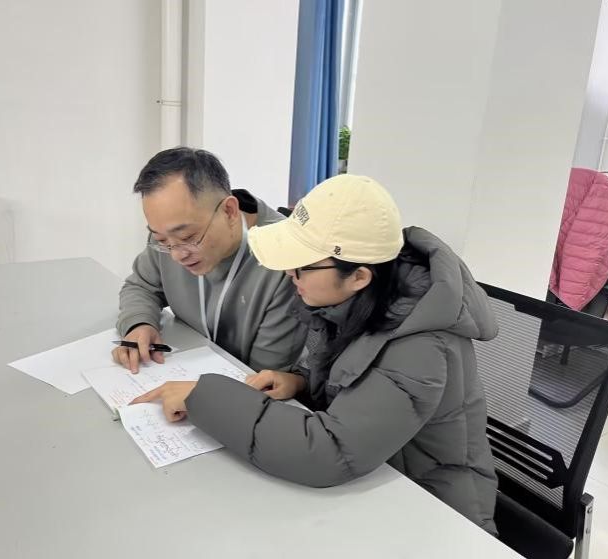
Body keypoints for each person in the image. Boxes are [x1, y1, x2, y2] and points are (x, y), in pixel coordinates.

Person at [132, 174, 499, 534]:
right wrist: (301, 381)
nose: (289, 275)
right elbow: (361, 385)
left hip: (438, 517)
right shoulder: (356, 301)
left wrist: (205, 397)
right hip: (377, 482)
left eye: (302, 266)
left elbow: (328, 452)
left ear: (359, 276)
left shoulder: (420, 346)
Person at [114, 147, 305, 373]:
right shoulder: (170, 236)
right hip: (185, 364)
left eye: (188, 237)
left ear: (230, 211)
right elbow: (140, 286)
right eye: (161, 239)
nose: (176, 255)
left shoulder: (286, 262)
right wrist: (140, 323)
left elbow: (266, 378)